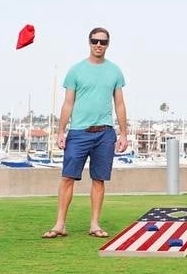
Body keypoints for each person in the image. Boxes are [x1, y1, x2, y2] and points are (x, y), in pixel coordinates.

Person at [43, 27, 128, 239]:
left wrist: (123, 133)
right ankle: (60, 224)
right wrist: (61, 131)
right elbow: (67, 103)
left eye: (103, 42)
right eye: (95, 41)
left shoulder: (115, 71)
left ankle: (95, 225)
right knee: (67, 178)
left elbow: (119, 105)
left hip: (105, 134)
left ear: (108, 44)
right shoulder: (76, 71)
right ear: (89, 42)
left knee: (99, 180)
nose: (98, 45)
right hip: (79, 133)